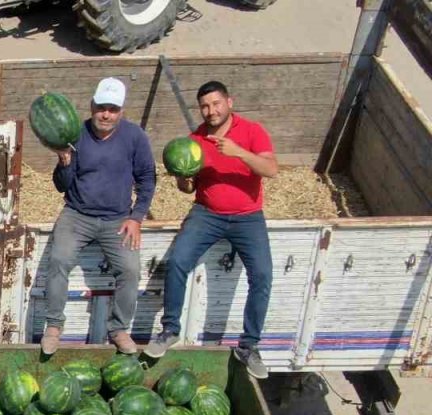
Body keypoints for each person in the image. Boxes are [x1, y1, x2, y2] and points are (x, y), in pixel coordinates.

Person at [144, 80, 279, 379]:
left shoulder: (252, 131)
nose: (211, 111)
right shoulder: (195, 141)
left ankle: (249, 346)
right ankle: (170, 330)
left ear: (229, 102)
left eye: (216, 103)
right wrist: (182, 179)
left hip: (248, 216)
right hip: (207, 214)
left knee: (263, 275)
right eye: (205, 106)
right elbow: (188, 188)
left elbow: (271, 169)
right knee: (178, 262)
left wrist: (238, 152)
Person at [42, 77, 156, 356]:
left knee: (130, 270)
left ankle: (118, 329)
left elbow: (147, 178)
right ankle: (54, 326)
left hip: (118, 218)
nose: (106, 115)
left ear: (121, 111)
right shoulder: (75, 134)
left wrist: (137, 217)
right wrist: (64, 162)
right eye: (102, 107)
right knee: (58, 260)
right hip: (77, 214)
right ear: (92, 106)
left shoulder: (135, 137)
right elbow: (61, 185)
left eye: (113, 109)